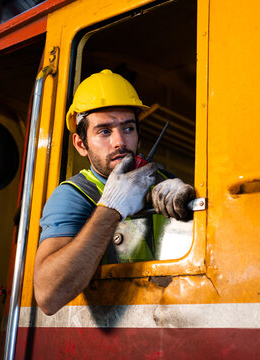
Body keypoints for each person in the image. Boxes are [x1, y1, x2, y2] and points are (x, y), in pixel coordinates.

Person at [33, 69, 195, 316]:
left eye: (128, 128)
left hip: (173, 319)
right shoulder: (73, 196)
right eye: (104, 131)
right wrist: (111, 208)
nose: (120, 141)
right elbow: (48, 296)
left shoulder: (163, 181)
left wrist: (188, 207)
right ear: (81, 144)